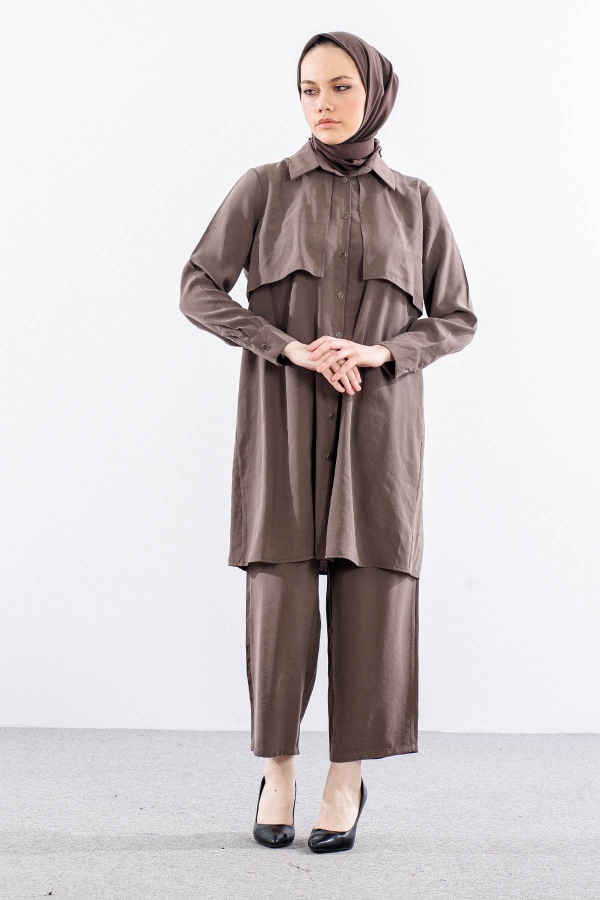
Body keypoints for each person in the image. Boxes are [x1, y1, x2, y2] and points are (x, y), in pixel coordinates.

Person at [179, 31, 478, 853]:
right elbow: (198, 287)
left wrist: (383, 352)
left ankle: (347, 777)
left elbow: (456, 316)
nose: (324, 104)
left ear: (376, 93)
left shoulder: (417, 202)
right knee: (279, 595)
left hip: (379, 426)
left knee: (374, 592)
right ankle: (278, 769)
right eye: (309, 89)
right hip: (281, 416)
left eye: (341, 87)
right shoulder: (263, 188)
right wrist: (286, 347)